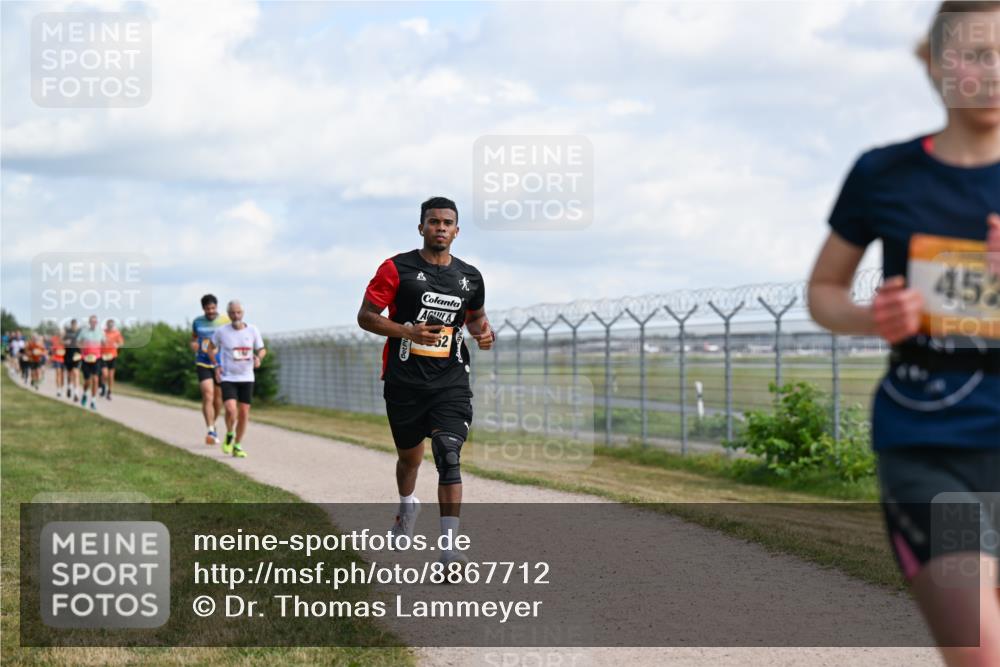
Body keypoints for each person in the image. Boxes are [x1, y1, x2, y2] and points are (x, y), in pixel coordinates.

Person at [808, 4, 1000, 665]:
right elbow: (824, 292)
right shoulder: (884, 174)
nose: (994, 70)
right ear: (935, 62)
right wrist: (871, 315)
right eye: (976, 54)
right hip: (932, 448)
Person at [357, 196, 494, 568]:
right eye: (434, 222)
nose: (441, 228)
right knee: (409, 458)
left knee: (448, 453)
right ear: (422, 227)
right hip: (404, 381)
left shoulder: (470, 277)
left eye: (448, 223)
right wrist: (407, 332)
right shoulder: (395, 269)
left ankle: (449, 549)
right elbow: (366, 317)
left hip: (450, 380)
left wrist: (483, 333)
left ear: (457, 230)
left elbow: (476, 318)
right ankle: (407, 505)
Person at [208, 300, 265, 459]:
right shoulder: (221, 331)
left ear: (243, 313)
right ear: (228, 314)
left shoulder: (253, 330)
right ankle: (230, 433)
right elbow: (210, 349)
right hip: (228, 377)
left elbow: (261, 349)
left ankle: (238, 445)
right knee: (232, 410)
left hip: (247, 377)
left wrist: (258, 358)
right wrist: (216, 366)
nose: (236, 315)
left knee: (244, 413)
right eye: (232, 313)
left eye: (238, 312)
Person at [192, 295, 230, 445]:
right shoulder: (197, 322)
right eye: (208, 309)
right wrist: (193, 344)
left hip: (221, 364)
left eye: (213, 308)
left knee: (218, 399)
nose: (211, 311)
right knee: (208, 395)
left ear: (217, 307)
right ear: (203, 309)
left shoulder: (225, 321)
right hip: (203, 362)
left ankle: (213, 425)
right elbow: (194, 338)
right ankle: (210, 429)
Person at [75, 315, 104, 410]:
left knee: (95, 379)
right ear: (89, 322)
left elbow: (104, 343)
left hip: (97, 358)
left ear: (97, 323)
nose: (93, 323)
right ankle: (84, 394)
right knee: (87, 381)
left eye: (95, 321)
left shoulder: (100, 332)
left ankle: (93, 401)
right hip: (86, 358)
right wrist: (81, 347)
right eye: (92, 321)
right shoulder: (84, 331)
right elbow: (78, 342)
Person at [100, 319, 124, 400]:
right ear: (107, 325)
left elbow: (121, 343)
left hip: (112, 356)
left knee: (111, 375)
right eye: (109, 324)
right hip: (103, 355)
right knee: (105, 374)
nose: (110, 326)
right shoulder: (102, 332)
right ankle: (103, 386)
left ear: (113, 325)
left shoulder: (117, 333)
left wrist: (117, 344)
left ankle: (109, 392)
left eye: (112, 325)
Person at [62, 320, 81, 402]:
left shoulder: (80, 333)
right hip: (68, 355)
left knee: (76, 373)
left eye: (75, 325)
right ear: (71, 325)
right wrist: (65, 342)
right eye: (73, 325)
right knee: (69, 374)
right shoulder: (67, 333)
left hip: (77, 355)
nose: (74, 326)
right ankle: (69, 387)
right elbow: (62, 342)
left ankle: (76, 393)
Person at [49, 331, 66, 398]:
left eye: (62, 334)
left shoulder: (65, 341)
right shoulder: (55, 340)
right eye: (60, 334)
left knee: (62, 375)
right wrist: (51, 357)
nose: (61, 335)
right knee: (58, 373)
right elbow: (52, 350)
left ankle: (62, 389)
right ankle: (58, 390)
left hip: (64, 360)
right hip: (57, 359)